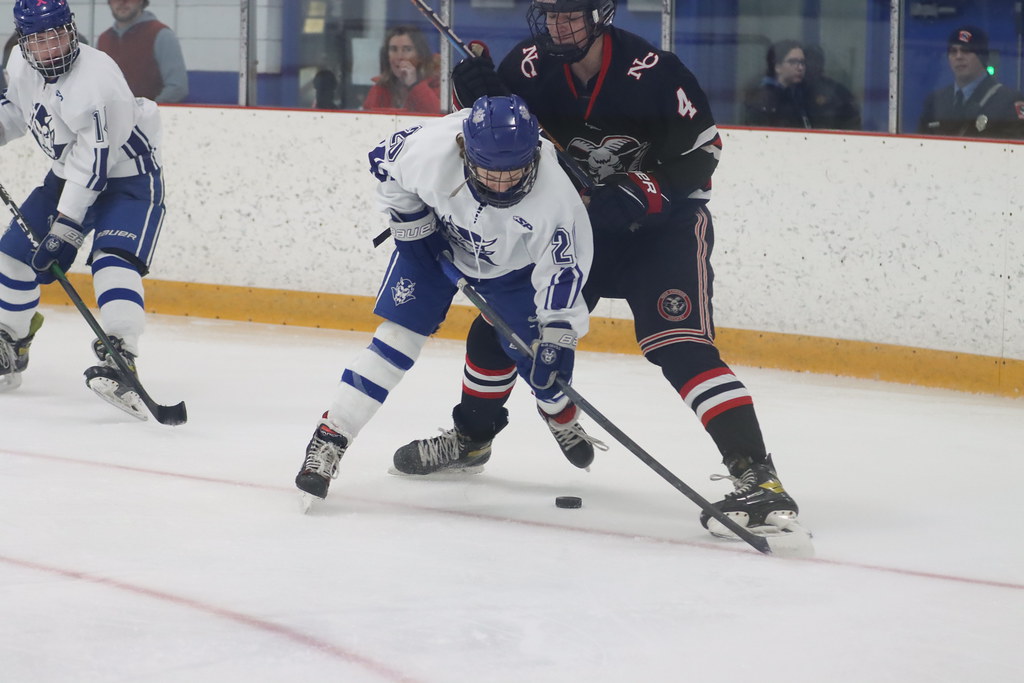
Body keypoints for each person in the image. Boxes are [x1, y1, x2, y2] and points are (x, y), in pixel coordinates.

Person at [397, 0, 801, 540]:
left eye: (572, 16)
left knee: (678, 344)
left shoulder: (654, 72)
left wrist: (640, 191)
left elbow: (704, 154)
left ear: (599, 15)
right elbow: (493, 139)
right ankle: (472, 438)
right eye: (550, 15)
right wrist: (472, 97)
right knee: (504, 329)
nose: (559, 26)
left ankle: (758, 476)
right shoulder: (527, 66)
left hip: (661, 234)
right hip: (577, 234)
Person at [294, 94, 594, 503]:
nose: (502, 184)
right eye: (490, 172)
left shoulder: (556, 196)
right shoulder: (432, 147)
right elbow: (384, 163)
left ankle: (558, 412)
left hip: (511, 270)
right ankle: (331, 437)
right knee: (396, 338)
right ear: (464, 152)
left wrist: (558, 331)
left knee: (543, 364)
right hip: (438, 246)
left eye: (514, 172)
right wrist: (412, 223)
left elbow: (563, 272)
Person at [0, 0, 166, 420]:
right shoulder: (20, 63)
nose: (50, 47)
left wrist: (66, 226)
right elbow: (21, 114)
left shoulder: (97, 82)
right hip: (66, 174)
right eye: (38, 39)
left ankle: (120, 354)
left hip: (128, 178)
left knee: (112, 260)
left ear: (71, 30)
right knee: (13, 256)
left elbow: (93, 168)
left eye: (56, 34)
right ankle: (11, 343)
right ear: (24, 41)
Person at [918, 26, 1024, 140]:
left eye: (966, 50)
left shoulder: (1008, 100)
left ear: (983, 56)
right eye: (953, 51)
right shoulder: (935, 101)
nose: (958, 57)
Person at [96, 0, 188, 103]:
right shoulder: (104, 40)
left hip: (150, 116)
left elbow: (177, 87)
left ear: (141, 1)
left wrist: (148, 111)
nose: (122, 2)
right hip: (112, 116)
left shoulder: (161, 34)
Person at [362, 25, 440, 114]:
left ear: (420, 55)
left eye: (407, 49)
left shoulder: (438, 85)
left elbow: (437, 118)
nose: (399, 57)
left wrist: (415, 84)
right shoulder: (380, 87)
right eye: (393, 49)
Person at [744, 39, 811, 129]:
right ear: (777, 67)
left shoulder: (800, 94)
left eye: (802, 62)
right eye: (793, 62)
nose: (800, 67)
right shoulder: (763, 98)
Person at [803, 44, 860, 130]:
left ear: (822, 63)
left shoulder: (836, 90)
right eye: (809, 60)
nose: (813, 64)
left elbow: (853, 119)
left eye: (817, 60)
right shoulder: (793, 90)